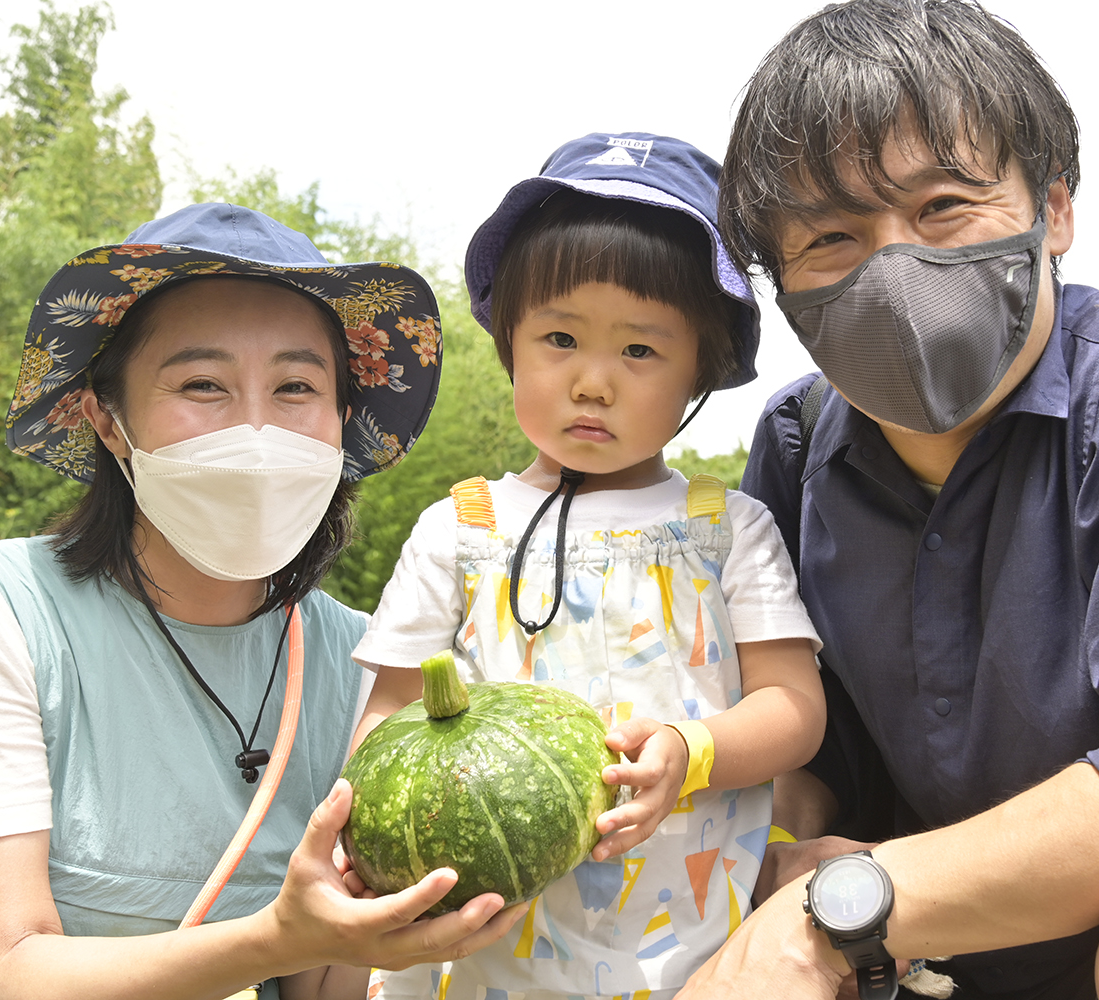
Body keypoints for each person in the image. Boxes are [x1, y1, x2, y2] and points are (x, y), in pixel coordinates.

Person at [676, 3, 1099, 999]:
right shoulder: (793, 449)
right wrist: (780, 849)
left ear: (1054, 211)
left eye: (944, 208)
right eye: (833, 235)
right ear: (779, 283)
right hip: (919, 958)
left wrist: (850, 896)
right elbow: (806, 743)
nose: (895, 265)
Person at [0, 203, 524, 1000]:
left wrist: (383, 929)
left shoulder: (361, 671)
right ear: (108, 422)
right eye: (203, 384)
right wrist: (274, 938)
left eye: (295, 387)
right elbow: (6, 971)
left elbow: (321, 981)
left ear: (341, 423)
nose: (256, 429)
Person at [349, 133, 826, 1000]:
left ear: (699, 373)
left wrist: (692, 749)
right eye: (560, 338)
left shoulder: (727, 530)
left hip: (693, 944)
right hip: (490, 946)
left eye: (640, 351)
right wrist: (374, 847)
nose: (593, 382)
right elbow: (389, 717)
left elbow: (794, 709)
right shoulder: (459, 531)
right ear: (510, 346)